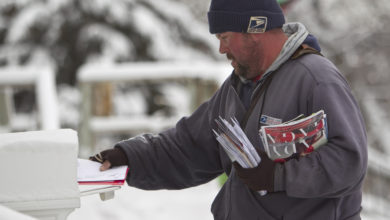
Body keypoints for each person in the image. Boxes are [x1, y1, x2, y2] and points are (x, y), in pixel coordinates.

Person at [90, 0, 368, 219]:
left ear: (254, 31)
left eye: (224, 37)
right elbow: (187, 146)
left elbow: (348, 161)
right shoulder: (237, 88)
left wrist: (278, 176)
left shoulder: (316, 79)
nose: (221, 49)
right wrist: (127, 158)